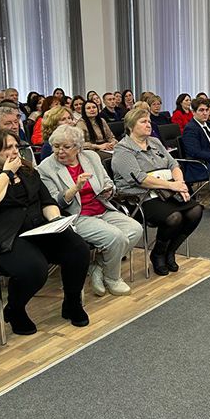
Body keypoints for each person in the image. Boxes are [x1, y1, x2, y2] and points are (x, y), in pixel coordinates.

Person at [0, 129, 91, 335]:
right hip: (5, 236)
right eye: (7, 148)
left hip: (37, 228)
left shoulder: (27, 170)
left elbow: (46, 201)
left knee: (78, 249)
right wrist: (6, 174)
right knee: (34, 269)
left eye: (16, 146)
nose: (15, 152)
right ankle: (15, 309)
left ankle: (72, 303)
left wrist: (56, 221)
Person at [38, 125, 142, 297]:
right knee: (116, 237)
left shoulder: (91, 157)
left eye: (66, 147)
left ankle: (98, 266)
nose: (60, 151)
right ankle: (112, 278)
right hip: (77, 216)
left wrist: (109, 190)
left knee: (135, 229)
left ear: (78, 147)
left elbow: (107, 181)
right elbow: (53, 202)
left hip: (102, 208)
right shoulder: (46, 168)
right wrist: (75, 188)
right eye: (56, 146)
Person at [111, 108, 203, 275]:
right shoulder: (123, 149)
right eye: (143, 122)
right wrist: (172, 186)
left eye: (149, 121)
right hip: (138, 197)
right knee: (174, 217)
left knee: (195, 211)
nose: (149, 125)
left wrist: (180, 184)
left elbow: (173, 164)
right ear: (131, 126)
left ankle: (170, 250)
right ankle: (158, 254)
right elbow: (140, 178)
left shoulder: (154, 142)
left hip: (165, 191)